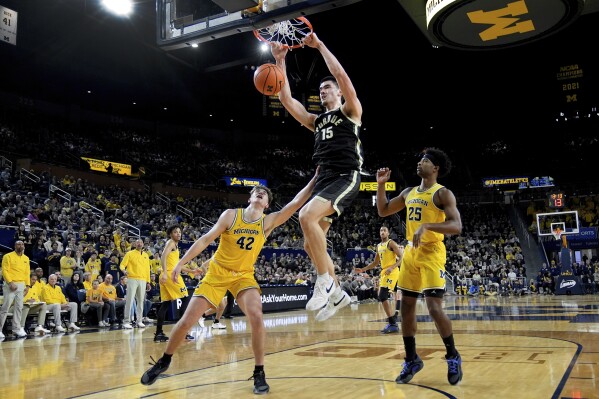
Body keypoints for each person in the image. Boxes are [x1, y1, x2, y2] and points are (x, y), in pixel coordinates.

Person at [141, 168, 319, 394]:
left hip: (243, 276)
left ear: (266, 204)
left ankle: (259, 371)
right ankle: (164, 360)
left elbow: (294, 204)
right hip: (217, 273)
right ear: (250, 198)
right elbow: (205, 239)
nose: (260, 193)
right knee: (186, 321)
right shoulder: (230, 215)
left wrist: (314, 180)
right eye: (256, 191)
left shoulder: (267, 223)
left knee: (256, 315)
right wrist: (179, 263)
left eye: (264, 193)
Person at [271, 32, 363, 321]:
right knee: (309, 245)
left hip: (345, 175)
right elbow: (286, 100)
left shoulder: (350, 111)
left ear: (338, 93)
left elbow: (341, 74)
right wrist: (279, 60)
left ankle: (323, 281)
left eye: (327, 88)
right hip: (324, 179)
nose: (323, 91)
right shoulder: (316, 121)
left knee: (305, 216)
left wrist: (320, 44)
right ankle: (337, 294)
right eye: (320, 89)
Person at [376, 147, 463, 385]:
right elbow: (383, 210)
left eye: (425, 160)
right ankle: (412, 359)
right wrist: (381, 185)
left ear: (435, 168)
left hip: (432, 252)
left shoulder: (442, 193)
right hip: (411, 253)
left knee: (434, 308)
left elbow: (456, 226)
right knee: (406, 309)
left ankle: (453, 355)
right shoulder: (408, 192)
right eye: (420, 159)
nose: (420, 163)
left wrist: (428, 227)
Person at [354, 226, 403, 334]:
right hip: (384, 272)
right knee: (382, 296)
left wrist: (392, 267)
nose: (382, 232)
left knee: (383, 296)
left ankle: (393, 323)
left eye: (384, 230)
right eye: (381, 230)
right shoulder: (378, 246)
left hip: (392, 271)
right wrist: (363, 269)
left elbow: (401, 257)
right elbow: (375, 263)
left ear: (388, 233)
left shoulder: (391, 243)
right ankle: (393, 320)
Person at [154, 225, 199, 342]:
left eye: (179, 232)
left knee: (165, 304)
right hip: (169, 275)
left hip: (167, 274)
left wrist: (191, 271)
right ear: (170, 234)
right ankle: (183, 332)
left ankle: (158, 333)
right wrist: (164, 272)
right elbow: (163, 256)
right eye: (175, 232)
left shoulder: (175, 245)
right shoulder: (171, 243)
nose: (178, 234)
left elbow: (177, 265)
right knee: (185, 298)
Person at [0, 240, 30, 339]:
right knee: (6, 307)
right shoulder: (7, 256)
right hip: (10, 284)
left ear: (24, 246)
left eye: (22, 244)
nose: (20, 245)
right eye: (18, 244)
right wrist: (10, 282)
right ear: (14, 246)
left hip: (21, 285)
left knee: (19, 307)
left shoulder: (26, 258)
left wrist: (28, 286)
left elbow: (27, 273)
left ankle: (16, 328)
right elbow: (4, 270)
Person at [120, 238, 151, 329]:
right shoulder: (129, 254)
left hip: (143, 280)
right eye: (137, 243)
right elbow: (122, 264)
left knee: (141, 301)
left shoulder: (146, 255)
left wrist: (148, 281)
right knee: (129, 300)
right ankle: (126, 321)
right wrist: (124, 271)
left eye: (141, 242)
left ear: (143, 244)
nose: (139, 244)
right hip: (132, 279)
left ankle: (139, 321)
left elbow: (147, 270)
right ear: (134, 244)